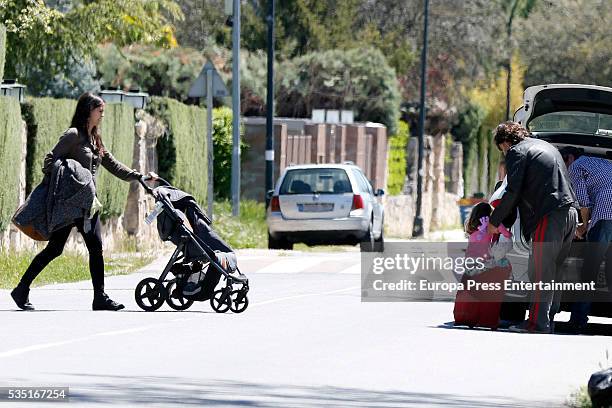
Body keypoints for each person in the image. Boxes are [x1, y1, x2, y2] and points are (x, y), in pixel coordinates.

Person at [10, 92, 155, 311]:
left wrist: (139, 176)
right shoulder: (74, 135)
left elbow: (113, 165)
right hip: (70, 206)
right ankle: (23, 289)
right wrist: (67, 182)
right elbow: (50, 160)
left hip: (88, 205)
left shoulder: (95, 138)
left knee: (89, 248)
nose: (103, 115)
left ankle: (97, 297)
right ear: (89, 110)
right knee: (62, 249)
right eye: (100, 110)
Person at [487, 121, 578, 334]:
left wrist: (495, 221)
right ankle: (548, 320)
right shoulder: (547, 147)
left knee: (540, 271)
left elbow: (513, 192)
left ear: (505, 142)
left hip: (550, 214)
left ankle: (536, 323)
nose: (504, 152)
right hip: (570, 213)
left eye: (502, 149)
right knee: (555, 270)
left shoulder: (516, 151)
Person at [560, 146, 612, 332]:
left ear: (569, 158)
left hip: (606, 214)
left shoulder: (576, 167)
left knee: (589, 269)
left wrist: (582, 226)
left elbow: (583, 202)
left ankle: (578, 319)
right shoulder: (603, 163)